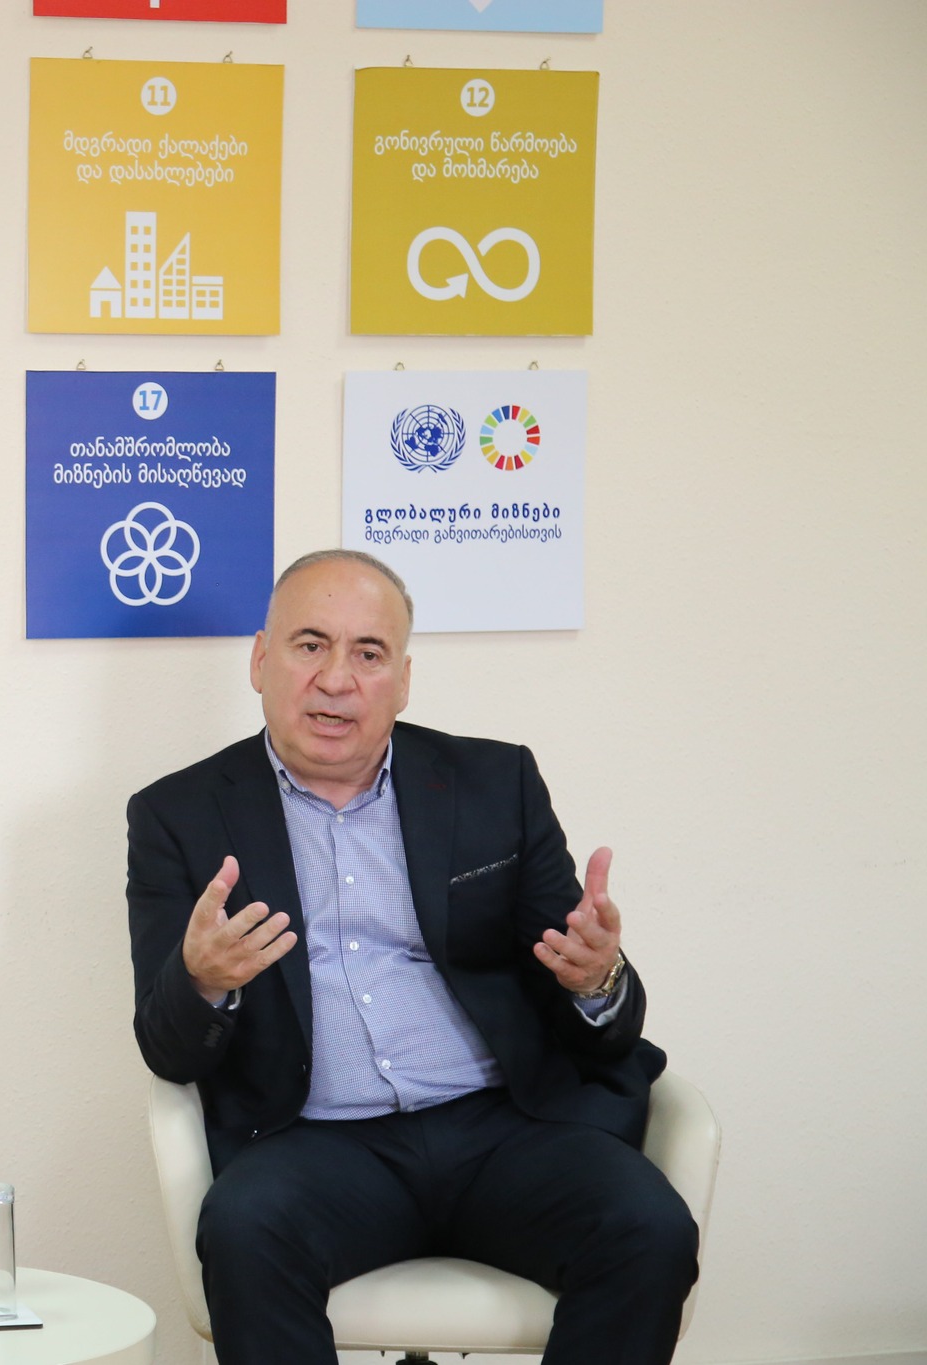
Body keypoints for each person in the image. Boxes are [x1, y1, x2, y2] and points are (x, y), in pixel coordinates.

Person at [125, 550, 698, 1365]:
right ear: (260, 660)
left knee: (649, 1225)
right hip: (316, 1143)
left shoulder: (495, 782)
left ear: (402, 679)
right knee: (245, 1228)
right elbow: (167, 1047)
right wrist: (203, 981)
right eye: (310, 644)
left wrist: (596, 978)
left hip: (505, 1127)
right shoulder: (177, 815)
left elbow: (594, 1010)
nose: (336, 679)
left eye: (369, 653)